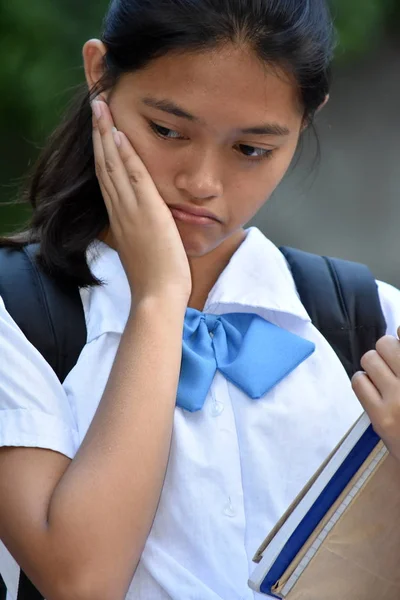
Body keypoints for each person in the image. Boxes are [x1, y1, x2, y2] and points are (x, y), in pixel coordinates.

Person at [0, 0, 399, 598]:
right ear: (98, 74)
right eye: (167, 130)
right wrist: (160, 299)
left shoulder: (370, 317)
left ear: (308, 118)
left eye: (252, 149)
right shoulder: (15, 312)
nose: (202, 183)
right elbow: (81, 581)